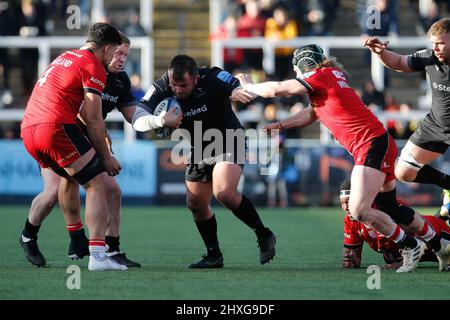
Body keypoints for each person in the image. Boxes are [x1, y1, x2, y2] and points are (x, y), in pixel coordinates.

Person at [235, 44, 450, 272]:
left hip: (370, 145)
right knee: (390, 207)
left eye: (297, 70)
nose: (297, 75)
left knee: (358, 209)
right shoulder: (328, 78)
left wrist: (249, 86)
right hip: (378, 141)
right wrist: (281, 124)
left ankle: (409, 245)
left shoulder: (321, 75)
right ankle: (440, 243)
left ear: (303, 65)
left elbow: (277, 89)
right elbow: (311, 113)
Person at [132, 54, 276, 268]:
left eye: (183, 85)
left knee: (224, 192)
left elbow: (235, 87)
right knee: (195, 204)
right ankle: (213, 255)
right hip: (198, 146)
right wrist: (159, 120)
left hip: (228, 138)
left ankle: (263, 234)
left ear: (196, 79)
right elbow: (137, 118)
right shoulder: (162, 86)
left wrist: (239, 90)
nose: (177, 90)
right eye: (174, 84)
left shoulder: (212, 76)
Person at [20, 23, 126, 271]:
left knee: (60, 185)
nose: (113, 59)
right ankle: (98, 256)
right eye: (115, 53)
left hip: (29, 129)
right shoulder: (94, 65)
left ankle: (55, 238)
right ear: (107, 48)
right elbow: (93, 118)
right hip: (54, 128)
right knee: (97, 182)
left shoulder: (65, 56)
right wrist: (106, 156)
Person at [364, 18, 450, 199]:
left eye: (441, 43)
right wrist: (381, 53)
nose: (435, 48)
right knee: (403, 172)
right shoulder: (430, 57)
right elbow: (399, 62)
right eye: (433, 43)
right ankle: (448, 184)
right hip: (436, 126)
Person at [339, 178, 450, 270]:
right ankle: (444, 212)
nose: (345, 208)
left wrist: (406, 261)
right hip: (398, 255)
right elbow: (353, 257)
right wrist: (350, 260)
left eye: (349, 202)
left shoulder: (387, 207)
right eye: (342, 203)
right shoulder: (350, 221)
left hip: (438, 235)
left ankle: (446, 209)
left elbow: (420, 233)